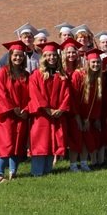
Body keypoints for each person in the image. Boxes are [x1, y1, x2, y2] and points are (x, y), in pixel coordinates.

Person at [28, 41, 71, 176]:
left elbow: (67, 94)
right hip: (41, 115)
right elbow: (35, 93)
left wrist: (61, 109)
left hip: (57, 115)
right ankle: (37, 172)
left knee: (53, 141)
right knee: (40, 141)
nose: (52, 58)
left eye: (54, 55)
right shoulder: (36, 74)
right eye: (48, 55)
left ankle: (48, 170)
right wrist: (48, 109)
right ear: (44, 57)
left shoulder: (62, 75)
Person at [0, 40, 31, 182]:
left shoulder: (26, 75)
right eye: (15, 55)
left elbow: (31, 95)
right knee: (6, 143)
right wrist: (13, 108)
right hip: (6, 115)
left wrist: (26, 110)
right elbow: (0, 94)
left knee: (18, 144)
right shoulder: (3, 72)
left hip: (21, 115)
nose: (18, 58)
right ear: (10, 56)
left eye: (20, 55)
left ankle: (13, 173)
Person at [70, 48, 103, 171]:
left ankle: (84, 163)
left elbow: (97, 102)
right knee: (76, 139)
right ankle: (73, 164)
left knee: (86, 139)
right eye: (93, 62)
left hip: (88, 117)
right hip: (76, 114)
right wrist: (78, 117)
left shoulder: (98, 78)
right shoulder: (78, 75)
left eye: (98, 62)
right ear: (88, 62)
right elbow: (73, 98)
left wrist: (92, 118)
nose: (96, 64)